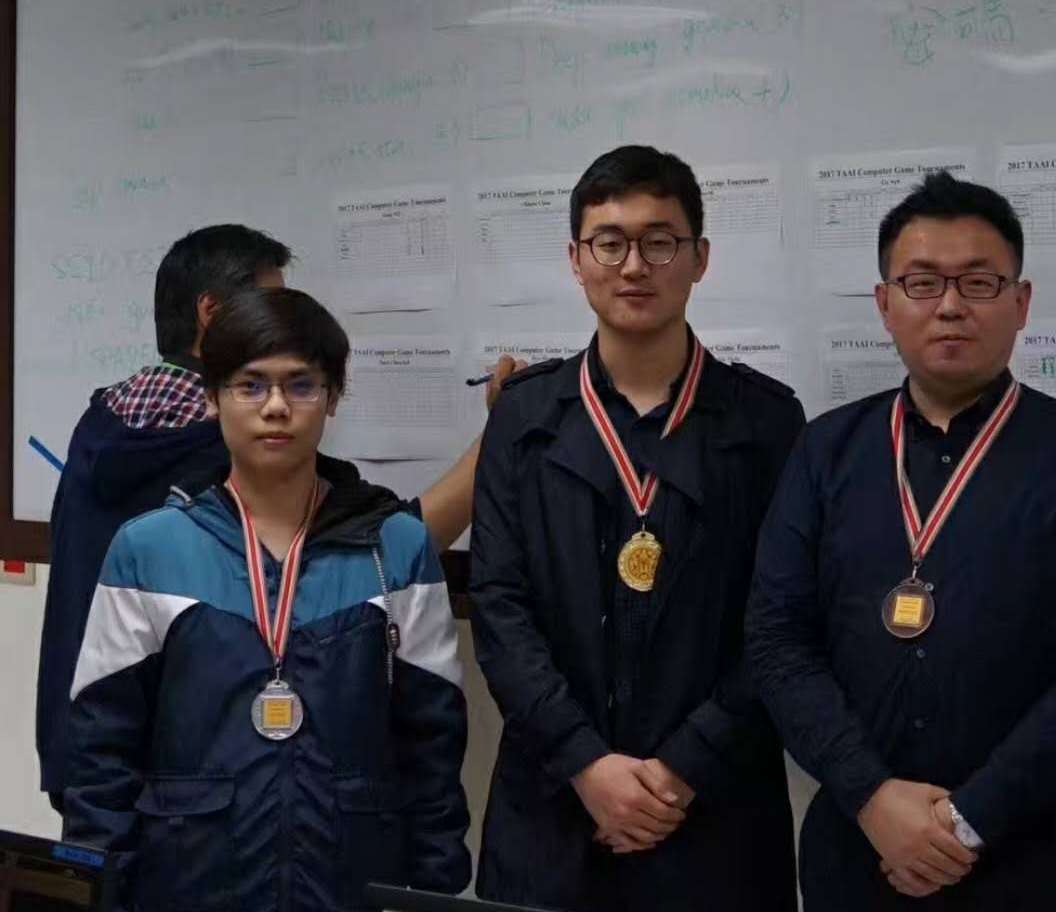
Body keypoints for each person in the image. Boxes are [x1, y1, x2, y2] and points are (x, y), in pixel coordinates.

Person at [746, 171, 1056, 910]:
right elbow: (777, 640)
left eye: (979, 282)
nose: (950, 306)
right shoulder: (825, 451)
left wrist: (967, 822)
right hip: (857, 851)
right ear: (884, 303)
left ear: (1020, 302)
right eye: (922, 282)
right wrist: (872, 797)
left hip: (1031, 854)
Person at [35, 224, 518, 808]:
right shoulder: (223, 451)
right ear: (213, 314)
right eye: (271, 302)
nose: (275, 404)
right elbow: (391, 544)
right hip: (197, 779)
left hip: (85, 746)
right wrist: (503, 431)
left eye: (300, 384)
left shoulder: (102, 423)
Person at [470, 145, 804, 911]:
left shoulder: (766, 423)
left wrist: (684, 767)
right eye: (609, 242)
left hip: (714, 811)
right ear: (575, 259)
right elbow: (498, 605)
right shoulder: (524, 417)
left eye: (659, 242)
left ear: (699, 258)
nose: (633, 266)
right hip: (553, 808)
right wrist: (586, 764)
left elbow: (781, 620)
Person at [63, 287, 471, 911]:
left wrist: (431, 895)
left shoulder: (396, 547)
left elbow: (434, 754)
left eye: (300, 385)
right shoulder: (147, 550)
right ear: (212, 397)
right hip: (187, 889)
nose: (276, 407)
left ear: (333, 396)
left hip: (350, 889)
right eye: (250, 385)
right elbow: (100, 760)